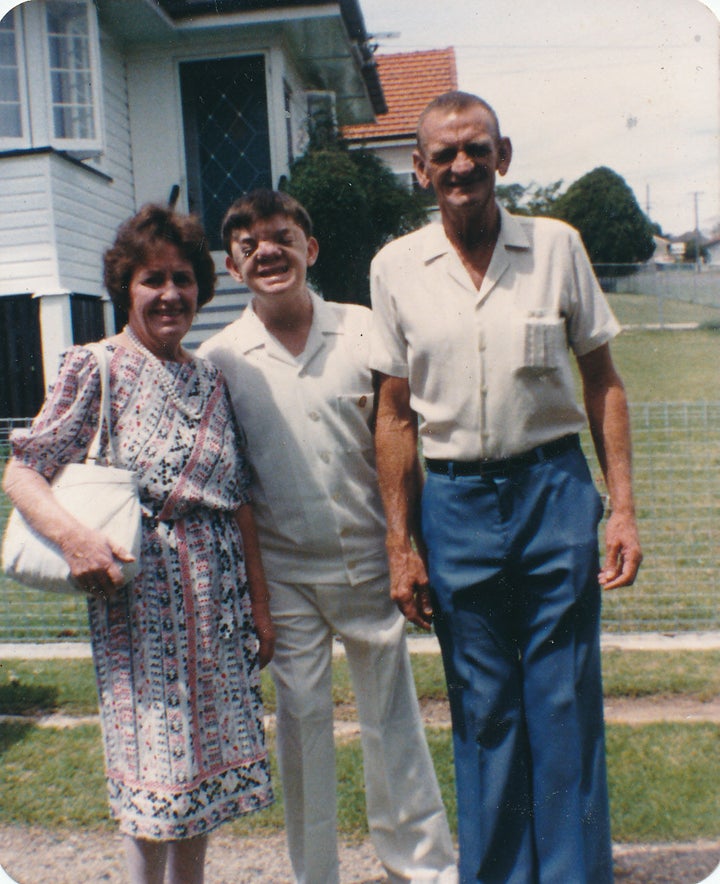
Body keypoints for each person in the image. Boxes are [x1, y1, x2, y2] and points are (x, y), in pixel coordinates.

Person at [369, 91, 643, 884]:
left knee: (562, 701)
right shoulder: (396, 268)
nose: (463, 166)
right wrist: (401, 542)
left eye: (477, 149)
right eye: (445, 154)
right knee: (484, 709)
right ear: (420, 170)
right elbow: (392, 416)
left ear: (504, 156)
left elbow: (604, 382)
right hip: (453, 503)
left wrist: (622, 508)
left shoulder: (556, 246)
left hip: (552, 489)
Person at [2, 205, 274, 884]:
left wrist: (261, 614)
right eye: (154, 279)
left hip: (218, 605)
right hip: (138, 605)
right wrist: (75, 539)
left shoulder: (210, 378)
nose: (171, 294)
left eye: (184, 279)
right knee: (154, 781)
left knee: (200, 790)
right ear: (127, 286)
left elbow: (238, 501)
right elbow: (23, 468)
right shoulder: (93, 366)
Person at [198, 189, 457, 884]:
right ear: (231, 266)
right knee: (302, 726)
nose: (268, 252)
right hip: (286, 576)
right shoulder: (219, 359)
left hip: (374, 561)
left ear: (311, 249)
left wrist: (407, 549)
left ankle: (424, 865)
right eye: (250, 245)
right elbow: (234, 489)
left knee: (393, 720)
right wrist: (255, 598)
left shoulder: (365, 328)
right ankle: (315, 874)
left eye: (282, 237)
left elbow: (399, 439)